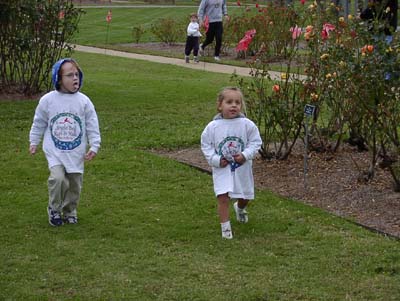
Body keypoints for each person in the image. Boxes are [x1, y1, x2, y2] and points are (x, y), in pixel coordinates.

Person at [29, 58, 101, 227]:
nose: (75, 78)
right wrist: (34, 141)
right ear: (59, 79)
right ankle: (54, 209)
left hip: (76, 153)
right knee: (58, 179)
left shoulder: (84, 101)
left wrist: (95, 145)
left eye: (76, 74)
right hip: (55, 151)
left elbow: (92, 124)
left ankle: (70, 211)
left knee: (74, 184)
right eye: (69, 75)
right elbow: (39, 122)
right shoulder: (48, 100)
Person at [201, 87, 262, 239]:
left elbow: (255, 142)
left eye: (237, 102)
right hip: (222, 169)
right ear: (220, 105)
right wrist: (215, 160)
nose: (233, 105)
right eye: (229, 102)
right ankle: (226, 230)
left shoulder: (247, 124)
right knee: (223, 197)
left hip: (242, 168)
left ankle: (240, 208)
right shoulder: (212, 127)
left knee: (245, 196)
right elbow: (206, 145)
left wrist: (245, 155)